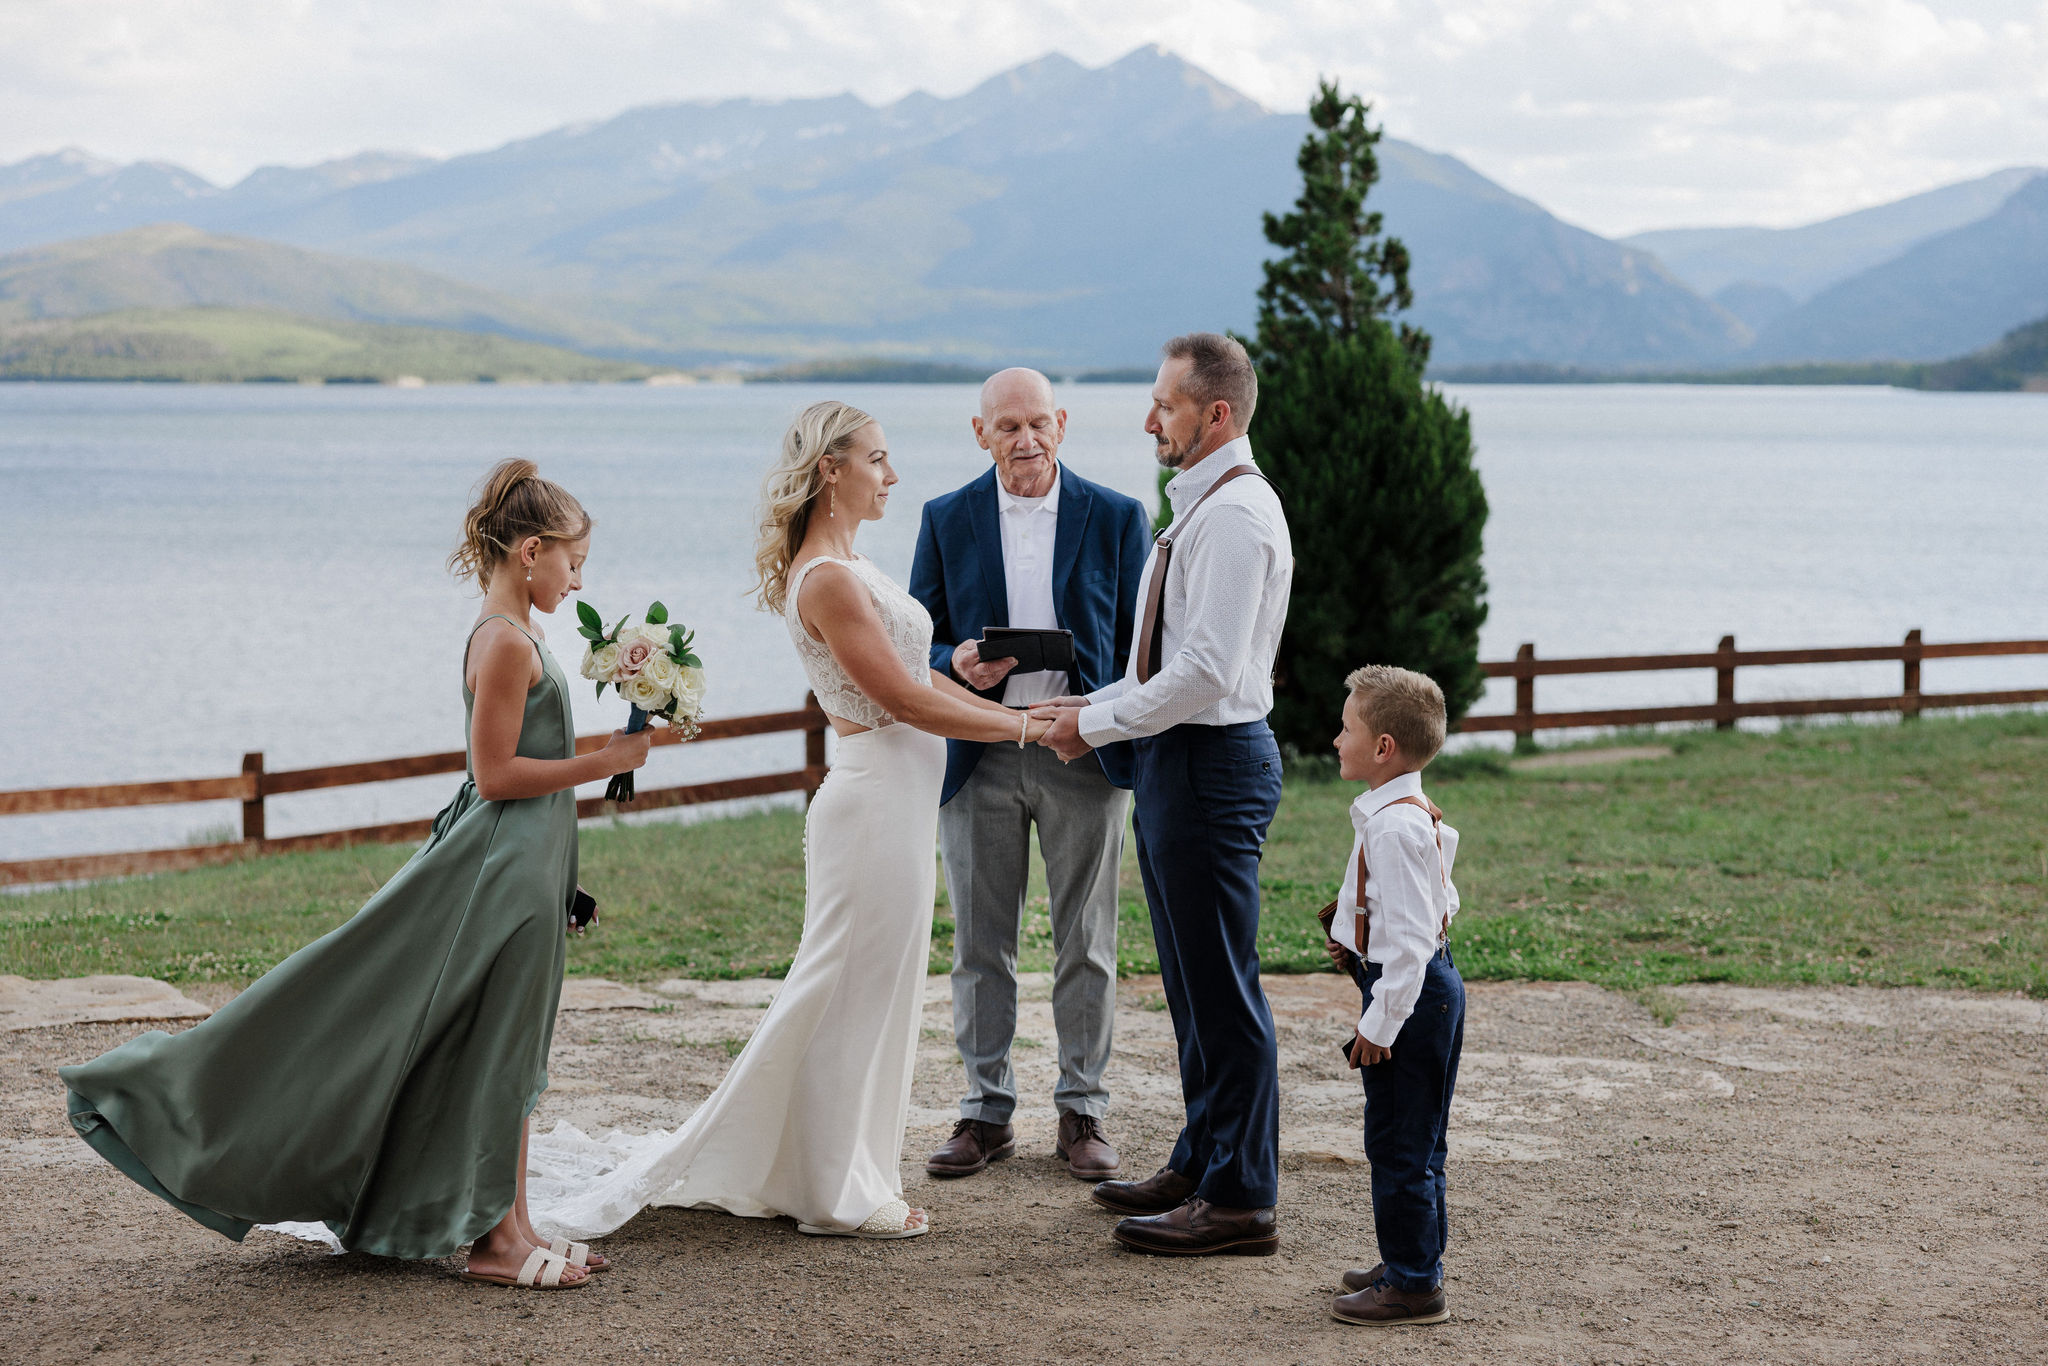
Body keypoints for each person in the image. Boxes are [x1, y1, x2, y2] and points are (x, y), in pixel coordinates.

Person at [59, 459, 652, 1290]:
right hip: (500, 871)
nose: (579, 578)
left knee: (512, 1054)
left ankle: (513, 1224)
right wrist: (609, 760)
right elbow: (494, 776)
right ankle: (492, 1245)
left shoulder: (527, 634)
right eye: (572, 561)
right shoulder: (507, 642)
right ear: (529, 551)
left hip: (529, 869)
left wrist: (564, 884)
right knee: (491, 1052)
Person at [525, 400, 1054, 1242]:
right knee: (843, 993)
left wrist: (1035, 711)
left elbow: (926, 679)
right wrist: (1026, 727)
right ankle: (833, 1192)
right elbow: (901, 699)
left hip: (900, 802)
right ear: (831, 470)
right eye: (878, 459)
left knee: (876, 992)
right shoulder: (830, 578)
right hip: (873, 804)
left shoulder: (852, 564)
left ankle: (847, 1167)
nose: (893, 474)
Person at [1035, 333, 1293, 1256]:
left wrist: (1096, 725)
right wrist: (1093, 704)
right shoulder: (1204, 507)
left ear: (1214, 413)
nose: (1150, 419)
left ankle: (1240, 1200)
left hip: (1211, 763)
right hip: (1179, 759)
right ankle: (1203, 1156)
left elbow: (1206, 672)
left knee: (1222, 987)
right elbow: (1170, 665)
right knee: (1189, 981)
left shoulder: (1233, 518)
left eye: (1165, 404)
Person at [909, 368, 1150, 1182]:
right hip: (978, 754)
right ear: (980, 432)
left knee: (1087, 939)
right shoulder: (944, 517)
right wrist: (957, 660)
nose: (1025, 439)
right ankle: (985, 1110)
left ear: (1063, 424)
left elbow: (1139, 645)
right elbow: (919, 638)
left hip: (1083, 750)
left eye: (1038, 423)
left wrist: (1100, 714)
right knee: (981, 943)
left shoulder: (1118, 516)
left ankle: (1084, 1109)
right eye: (1007, 426)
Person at [1321, 664, 1464, 1326]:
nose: (1334, 739)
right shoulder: (1411, 814)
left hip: (1408, 996)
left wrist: (1379, 1024)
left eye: (1346, 728)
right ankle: (1411, 1260)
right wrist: (1355, 929)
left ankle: (1412, 1283)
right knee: (1414, 1136)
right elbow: (1439, 902)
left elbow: (1408, 947)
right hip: (1422, 986)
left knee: (1402, 1141)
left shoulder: (1395, 825)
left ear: (1383, 747)